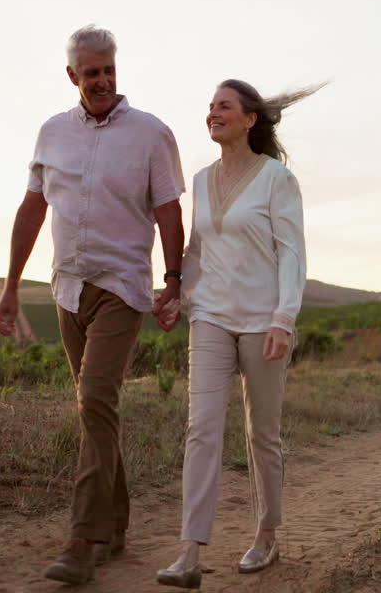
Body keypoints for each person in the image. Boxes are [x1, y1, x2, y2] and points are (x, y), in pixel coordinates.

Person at [0, 25, 186, 586]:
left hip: (122, 287)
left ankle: (83, 539)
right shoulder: (52, 134)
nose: (102, 81)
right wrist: (10, 287)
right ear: (72, 75)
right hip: (67, 288)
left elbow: (169, 211)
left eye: (110, 71)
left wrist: (173, 281)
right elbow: (32, 210)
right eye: (91, 72)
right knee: (96, 411)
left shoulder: (151, 134)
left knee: (96, 400)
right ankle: (117, 523)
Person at [155, 79, 319, 588]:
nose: (212, 113)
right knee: (201, 428)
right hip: (210, 316)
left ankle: (266, 535)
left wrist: (283, 318)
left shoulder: (275, 179)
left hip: (262, 319)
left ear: (249, 119)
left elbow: (291, 251)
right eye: (209, 107)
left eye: (223, 106)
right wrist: (175, 293)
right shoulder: (201, 181)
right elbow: (199, 249)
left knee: (261, 432)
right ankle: (189, 552)